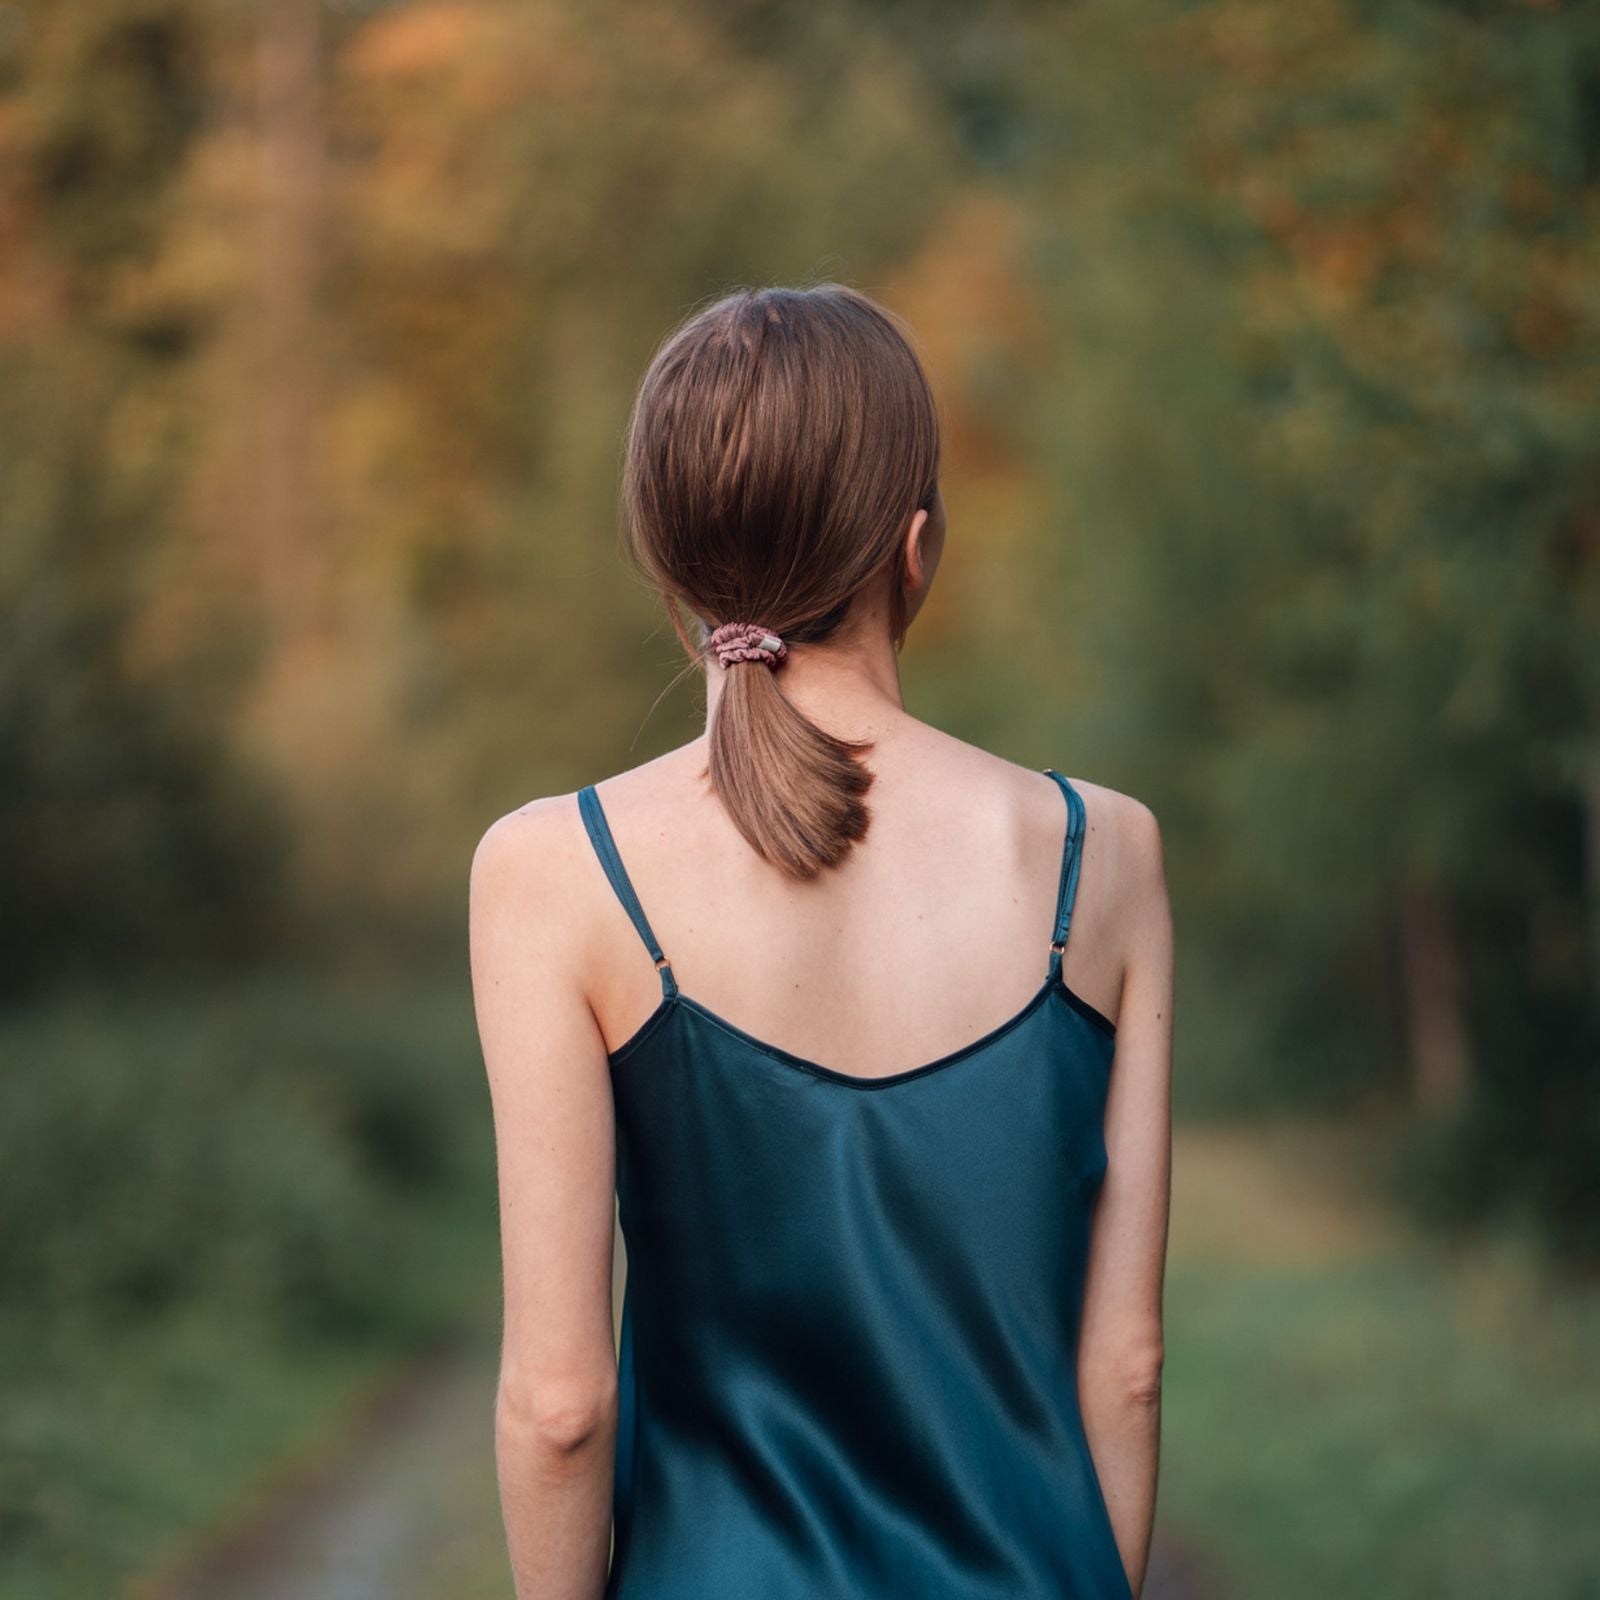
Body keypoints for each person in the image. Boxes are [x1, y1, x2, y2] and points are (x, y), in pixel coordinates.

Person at [469, 282, 1174, 1600]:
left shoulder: (556, 870)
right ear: (916, 548)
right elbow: (1124, 1372)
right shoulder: (1100, 853)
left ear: (668, 563)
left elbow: (561, 1405)